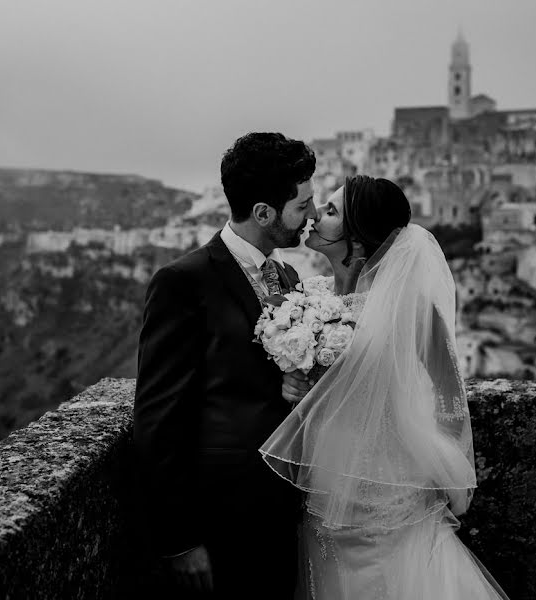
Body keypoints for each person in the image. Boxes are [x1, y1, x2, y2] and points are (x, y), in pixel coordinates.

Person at [261, 175, 510, 599]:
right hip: (328, 475)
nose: (317, 214)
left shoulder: (409, 305)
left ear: (357, 240)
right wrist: (298, 387)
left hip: (386, 482)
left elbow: (446, 390)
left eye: (334, 211)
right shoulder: (320, 302)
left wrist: (448, 467)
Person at [133, 132, 318, 598]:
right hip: (221, 521)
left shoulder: (289, 276)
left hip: (281, 510)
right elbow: (158, 416)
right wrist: (178, 540)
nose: (312, 215)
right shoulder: (183, 281)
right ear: (263, 213)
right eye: (302, 205)